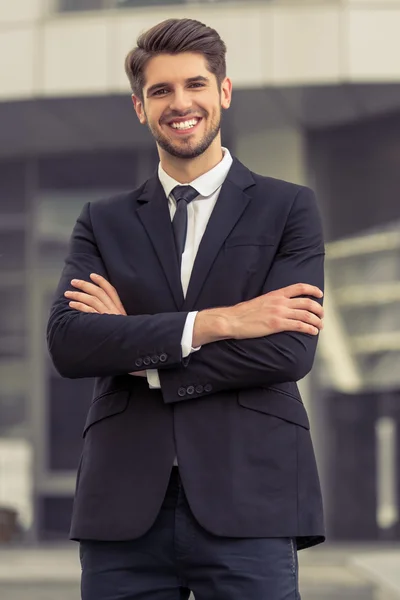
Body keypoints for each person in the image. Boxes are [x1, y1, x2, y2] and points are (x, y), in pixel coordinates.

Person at [47, 17, 325, 600]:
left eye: (195, 85)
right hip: (123, 506)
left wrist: (136, 349)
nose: (180, 103)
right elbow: (72, 342)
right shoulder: (103, 220)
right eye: (160, 91)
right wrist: (221, 322)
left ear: (223, 91)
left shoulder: (288, 207)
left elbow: (286, 348)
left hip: (250, 497)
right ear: (139, 108)